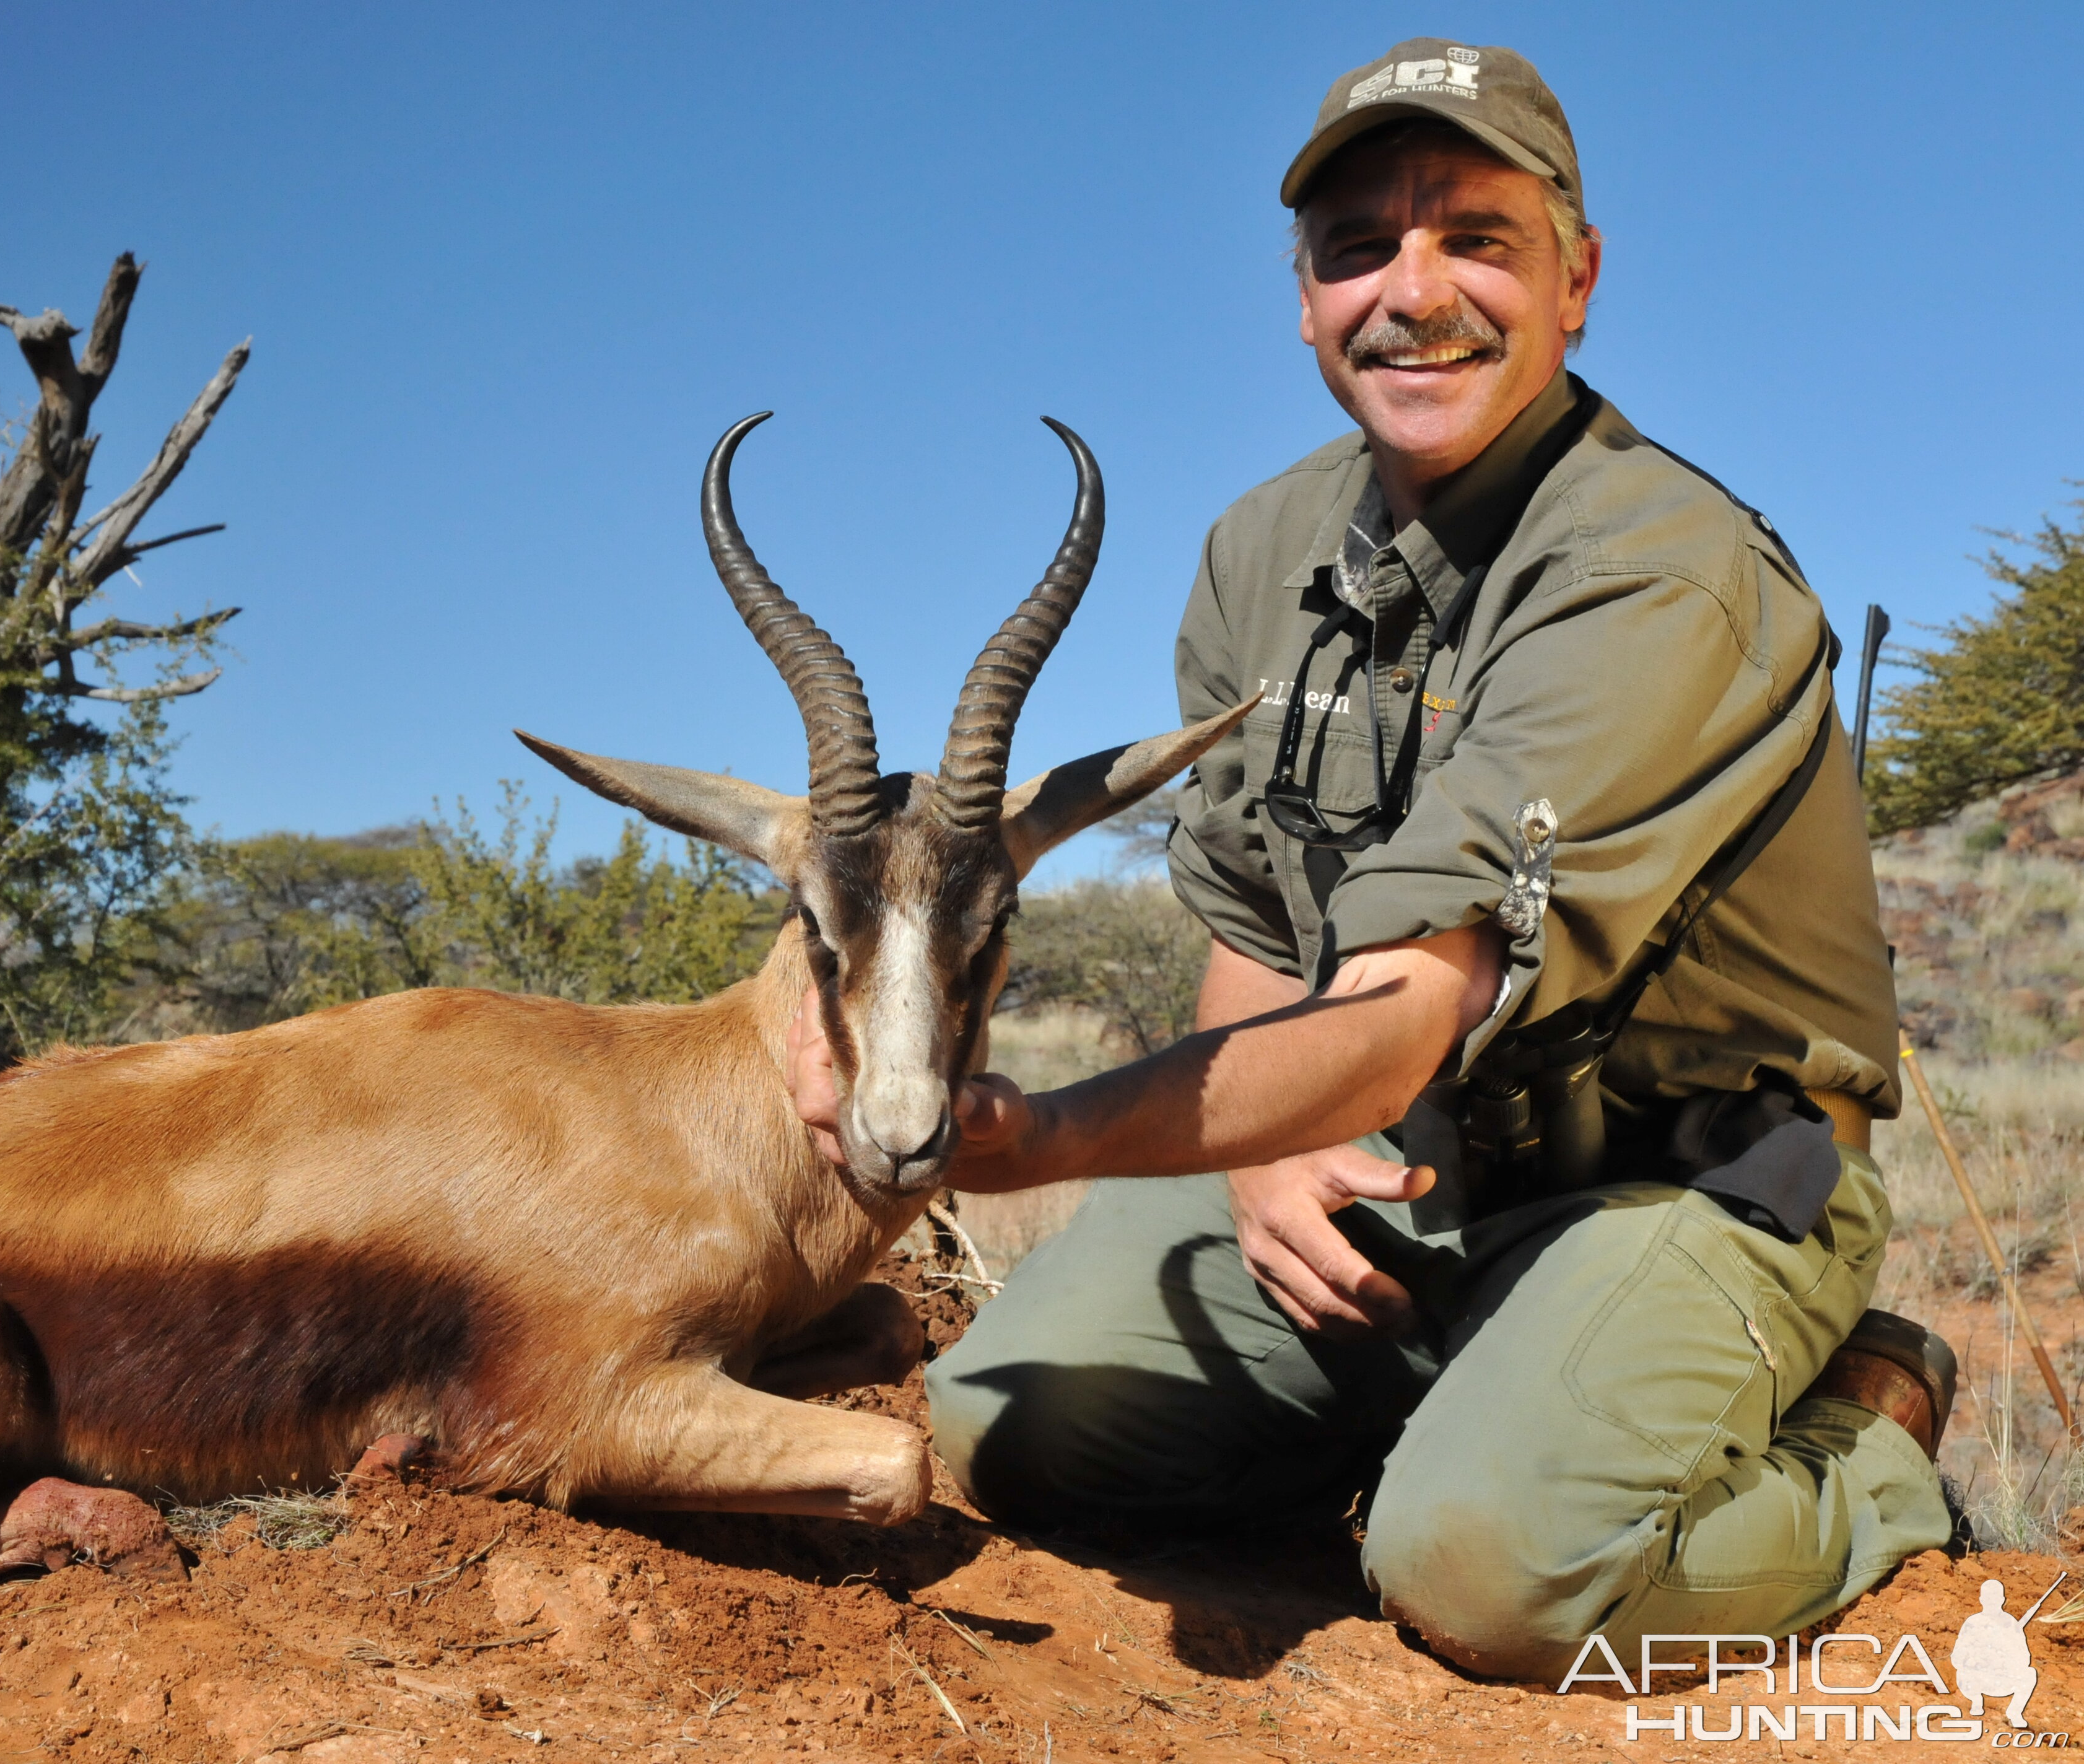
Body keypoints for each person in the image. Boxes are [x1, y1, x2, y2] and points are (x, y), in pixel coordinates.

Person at [792, 38, 1960, 1680]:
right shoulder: (1261, 551)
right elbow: (1260, 922)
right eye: (1359, 249)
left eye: (1474, 237)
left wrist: (1047, 1135)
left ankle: (1873, 1440)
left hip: (1688, 1187)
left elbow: (1412, 1003)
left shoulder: (1659, 573)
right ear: (1304, 299)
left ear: (1579, 277)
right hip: (1409, 1169)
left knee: (1494, 1584)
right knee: (1005, 1421)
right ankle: (1450, 1415)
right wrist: (1264, 1164)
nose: (1412, 295)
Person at [1953, 1579, 2043, 1729]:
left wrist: (2007, 1657)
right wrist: (1975, 1659)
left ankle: (2014, 1713)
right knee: (1963, 1673)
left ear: (2003, 1600)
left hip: (2002, 1679)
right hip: (1977, 1680)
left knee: (2030, 1673)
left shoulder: (2010, 1623)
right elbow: (1957, 1657)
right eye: (1988, 1598)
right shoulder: (1973, 1622)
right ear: (1981, 1600)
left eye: (1995, 1598)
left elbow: (2025, 1658)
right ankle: (1976, 1701)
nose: (1991, 1602)